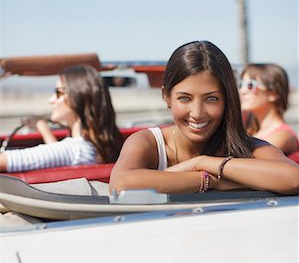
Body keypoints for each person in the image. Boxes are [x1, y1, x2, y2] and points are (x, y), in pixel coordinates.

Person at [110, 41, 299, 195]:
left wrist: (201, 162)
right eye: (185, 98)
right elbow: (121, 184)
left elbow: (293, 178)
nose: (198, 113)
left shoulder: (247, 146)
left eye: (211, 98)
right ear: (166, 96)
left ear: (227, 99)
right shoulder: (149, 142)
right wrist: (208, 180)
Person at [0, 65, 123, 172]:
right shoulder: (92, 148)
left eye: (59, 93)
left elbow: (59, 153)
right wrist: (42, 127)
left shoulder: (75, 151)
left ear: (78, 97)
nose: (51, 100)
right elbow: (58, 154)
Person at [239, 63, 299, 158]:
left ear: (274, 94)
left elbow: (246, 159)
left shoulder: (284, 135)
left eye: (250, 85)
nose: (243, 91)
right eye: (241, 84)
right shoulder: (251, 130)